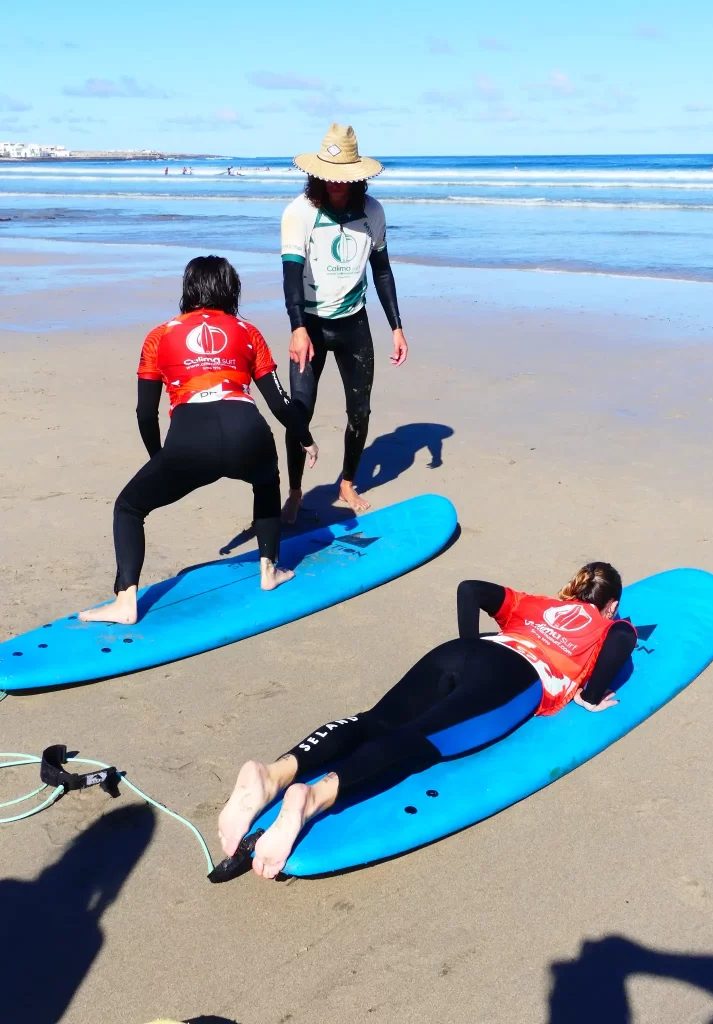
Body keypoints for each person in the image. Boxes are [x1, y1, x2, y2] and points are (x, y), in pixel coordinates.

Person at [218, 562, 637, 878]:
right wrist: (591, 695)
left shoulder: (540, 606)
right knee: (417, 740)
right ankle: (312, 798)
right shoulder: (609, 624)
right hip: (513, 679)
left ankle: (273, 773)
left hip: (460, 654)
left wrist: (472, 649)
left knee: (374, 720)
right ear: (611, 604)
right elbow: (620, 639)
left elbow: (470, 588)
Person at [79, 256, 318, 626]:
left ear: (188, 289)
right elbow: (280, 402)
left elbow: (145, 413)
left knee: (129, 508)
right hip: (249, 432)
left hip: (190, 441)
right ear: (230, 290)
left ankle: (125, 601)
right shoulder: (247, 331)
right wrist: (305, 437)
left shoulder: (159, 336)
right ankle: (269, 569)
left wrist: (161, 458)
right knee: (266, 481)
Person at [280, 123, 408, 524]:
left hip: (354, 324)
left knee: (360, 411)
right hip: (312, 325)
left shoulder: (373, 213)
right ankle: (296, 491)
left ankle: (348, 481)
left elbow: (382, 272)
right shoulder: (300, 212)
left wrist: (396, 326)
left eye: (343, 177)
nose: (335, 184)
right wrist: (298, 327)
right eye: (328, 176)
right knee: (299, 411)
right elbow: (290, 275)